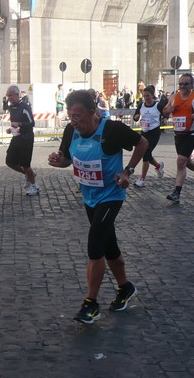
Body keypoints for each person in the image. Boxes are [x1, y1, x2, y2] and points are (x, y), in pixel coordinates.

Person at [48, 89, 148, 324]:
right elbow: (67, 160)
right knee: (109, 245)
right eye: (71, 116)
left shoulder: (111, 129)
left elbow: (142, 143)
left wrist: (128, 171)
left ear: (93, 113)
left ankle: (90, 304)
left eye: (79, 116)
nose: (75, 121)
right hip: (89, 196)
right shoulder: (71, 130)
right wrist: (57, 161)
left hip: (111, 195)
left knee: (95, 244)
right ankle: (125, 288)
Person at [163, 73, 194, 203]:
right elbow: (164, 111)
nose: (182, 86)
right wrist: (168, 109)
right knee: (186, 162)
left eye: (185, 84)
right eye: (180, 84)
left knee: (180, 161)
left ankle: (177, 192)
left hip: (191, 134)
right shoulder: (174, 97)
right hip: (178, 135)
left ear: (192, 85)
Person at [5, 85, 40, 196]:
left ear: (17, 94)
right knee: (9, 161)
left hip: (26, 138)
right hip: (17, 137)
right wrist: (11, 129)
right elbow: (15, 122)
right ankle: (29, 174)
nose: (9, 97)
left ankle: (35, 186)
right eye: (7, 95)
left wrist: (19, 124)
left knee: (25, 164)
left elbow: (32, 123)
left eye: (10, 95)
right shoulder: (11, 108)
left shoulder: (25, 106)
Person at [132, 85, 165, 187]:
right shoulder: (141, 105)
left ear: (152, 96)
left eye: (148, 96)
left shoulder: (158, 105)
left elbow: (166, 114)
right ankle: (158, 166)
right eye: (144, 96)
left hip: (154, 132)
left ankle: (142, 179)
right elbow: (135, 117)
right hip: (144, 132)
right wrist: (136, 117)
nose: (146, 98)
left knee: (146, 154)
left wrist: (165, 119)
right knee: (147, 154)